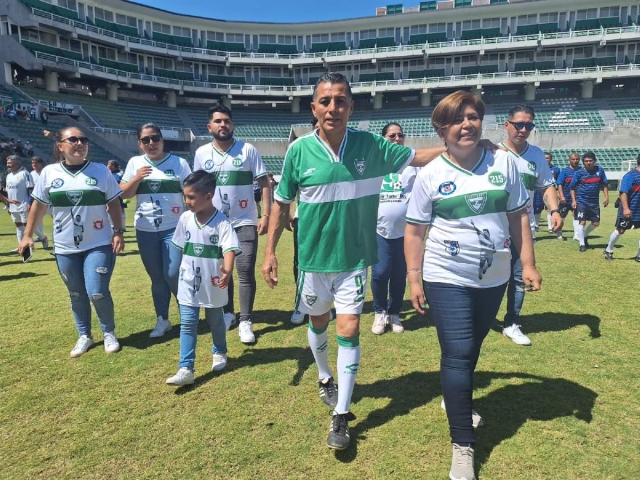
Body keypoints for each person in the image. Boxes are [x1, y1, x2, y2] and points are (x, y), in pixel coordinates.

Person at [261, 73, 494, 450]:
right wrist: (270, 252)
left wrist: (465, 143)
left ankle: (341, 413)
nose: (333, 108)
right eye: (325, 101)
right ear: (314, 108)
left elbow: (416, 157)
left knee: (349, 329)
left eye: (341, 101)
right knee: (318, 322)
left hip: (354, 259)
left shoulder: (371, 146)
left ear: (351, 107)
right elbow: (282, 203)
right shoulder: (298, 151)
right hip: (311, 261)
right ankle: (324, 377)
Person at [404, 90, 539, 480]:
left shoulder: (504, 163)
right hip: (446, 275)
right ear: (442, 129)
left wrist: (527, 263)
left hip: (494, 276)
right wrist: (414, 277)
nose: (467, 124)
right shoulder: (430, 175)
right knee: (459, 351)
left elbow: (518, 218)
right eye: (457, 119)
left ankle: (455, 396)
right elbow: (414, 232)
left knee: (473, 344)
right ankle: (463, 446)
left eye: (473, 117)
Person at [18, 127, 125, 357]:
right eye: (73, 139)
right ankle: (84, 335)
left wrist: (118, 231)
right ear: (60, 146)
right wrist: (27, 235)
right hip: (65, 247)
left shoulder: (101, 172)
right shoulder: (49, 173)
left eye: (83, 139)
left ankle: (109, 332)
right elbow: (38, 206)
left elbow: (114, 203)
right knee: (76, 293)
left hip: (99, 243)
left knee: (96, 291)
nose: (80, 143)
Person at [193, 104, 271, 345]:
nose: (223, 125)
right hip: (215, 223)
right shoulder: (202, 153)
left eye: (226, 120)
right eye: (217, 121)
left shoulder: (247, 150)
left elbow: (265, 183)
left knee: (245, 272)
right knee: (221, 271)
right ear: (209, 127)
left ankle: (246, 320)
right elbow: (196, 188)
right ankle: (229, 313)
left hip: (245, 220)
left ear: (232, 124)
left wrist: (266, 215)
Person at [166, 170, 241, 386]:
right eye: (185, 196)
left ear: (208, 196)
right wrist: (175, 271)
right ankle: (186, 368)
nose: (186, 201)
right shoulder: (185, 218)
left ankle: (220, 351)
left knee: (215, 320)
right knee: (188, 322)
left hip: (213, 282)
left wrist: (227, 270)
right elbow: (178, 246)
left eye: (191, 197)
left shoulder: (222, 223)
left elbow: (228, 249)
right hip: (188, 281)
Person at [120, 124, 192, 338]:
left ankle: (187, 315)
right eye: (146, 140)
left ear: (162, 140)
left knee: (172, 274)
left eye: (155, 138)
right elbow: (123, 194)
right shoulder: (135, 163)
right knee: (156, 277)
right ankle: (162, 320)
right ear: (139, 143)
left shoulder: (179, 163)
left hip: (174, 228)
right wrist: (136, 178)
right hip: (146, 229)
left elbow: (191, 193)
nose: (151, 143)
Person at [499, 105, 561, 346]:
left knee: (518, 276)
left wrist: (554, 210)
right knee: (489, 276)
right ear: (507, 124)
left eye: (528, 125)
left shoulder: (536, 154)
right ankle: (479, 318)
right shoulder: (493, 152)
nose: (523, 129)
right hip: (495, 228)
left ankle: (511, 323)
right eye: (518, 124)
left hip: (524, 227)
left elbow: (546, 186)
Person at [371, 122, 418, 335]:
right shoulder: (376, 165)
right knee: (380, 273)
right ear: (383, 140)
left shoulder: (414, 165)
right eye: (392, 136)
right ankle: (379, 311)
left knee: (399, 274)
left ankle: (395, 312)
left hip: (406, 232)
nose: (397, 139)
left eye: (400, 135)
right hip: (380, 230)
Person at [569, 151, 609, 252]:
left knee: (596, 223)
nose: (588, 163)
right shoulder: (579, 173)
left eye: (590, 161)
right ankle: (582, 244)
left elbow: (604, 184)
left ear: (594, 161)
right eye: (586, 161)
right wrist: (574, 200)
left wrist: (606, 197)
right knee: (582, 221)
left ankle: (583, 236)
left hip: (594, 202)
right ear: (583, 162)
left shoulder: (600, 170)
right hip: (582, 201)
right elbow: (572, 187)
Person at [604, 155, 640, 261]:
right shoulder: (630, 176)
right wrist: (625, 208)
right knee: (621, 230)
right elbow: (623, 192)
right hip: (630, 208)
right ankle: (608, 250)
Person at [5, 156, 37, 252]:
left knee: (27, 226)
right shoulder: (8, 175)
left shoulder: (24, 173)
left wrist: (30, 203)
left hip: (24, 205)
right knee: (18, 225)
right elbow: (8, 192)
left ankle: (32, 243)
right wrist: (8, 206)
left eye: (10, 163)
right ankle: (21, 246)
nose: (8, 165)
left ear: (17, 164)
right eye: (7, 163)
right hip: (13, 206)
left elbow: (31, 189)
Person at [557, 152, 582, 240]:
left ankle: (576, 234)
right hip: (566, 197)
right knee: (562, 214)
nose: (575, 161)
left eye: (577, 159)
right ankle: (559, 231)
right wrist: (561, 195)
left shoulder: (581, 171)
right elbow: (560, 184)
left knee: (576, 215)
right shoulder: (564, 171)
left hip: (578, 198)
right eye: (573, 159)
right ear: (569, 160)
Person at [29, 156, 49, 249]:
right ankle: (41, 237)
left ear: (41, 164)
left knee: (56, 219)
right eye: (33, 163)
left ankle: (58, 240)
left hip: (48, 200)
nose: (34, 165)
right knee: (37, 218)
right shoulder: (31, 174)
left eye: (36, 163)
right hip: (36, 200)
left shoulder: (46, 173)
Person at [544, 152, 561, 237]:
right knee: (537, 209)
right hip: (539, 190)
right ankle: (535, 225)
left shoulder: (556, 169)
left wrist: (558, 192)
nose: (546, 160)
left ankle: (550, 227)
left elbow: (558, 182)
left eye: (547, 158)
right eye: (544, 158)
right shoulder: (539, 167)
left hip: (551, 190)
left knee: (550, 208)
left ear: (551, 159)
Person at [107, 159, 127, 229]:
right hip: (112, 194)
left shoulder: (118, 175)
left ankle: (119, 226)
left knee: (117, 209)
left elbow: (119, 183)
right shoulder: (109, 173)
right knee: (112, 209)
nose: (107, 166)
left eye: (108, 164)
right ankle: (114, 225)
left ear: (112, 166)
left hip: (116, 194)